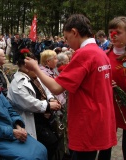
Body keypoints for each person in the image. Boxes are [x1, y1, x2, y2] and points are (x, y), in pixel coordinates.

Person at [24, 14, 117, 160]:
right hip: (100, 118)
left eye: (67, 38)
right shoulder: (100, 52)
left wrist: (36, 68)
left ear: (74, 32)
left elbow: (56, 87)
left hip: (87, 122)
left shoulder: (84, 54)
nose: (66, 43)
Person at [7, 49, 62, 159]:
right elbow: (28, 103)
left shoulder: (34, 76)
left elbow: (45, 89)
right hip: (33, 121)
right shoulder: (18, 83)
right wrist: (48, 105)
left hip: (44, 117)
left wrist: (51, 99)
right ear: (25, 66)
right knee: (50, 143)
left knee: (54, 141)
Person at [106, 16, 126, 160]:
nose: (113, 35)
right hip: (110, 107)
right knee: (105, 147)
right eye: (110, 32)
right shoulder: (104, 56)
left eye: (118, 32)